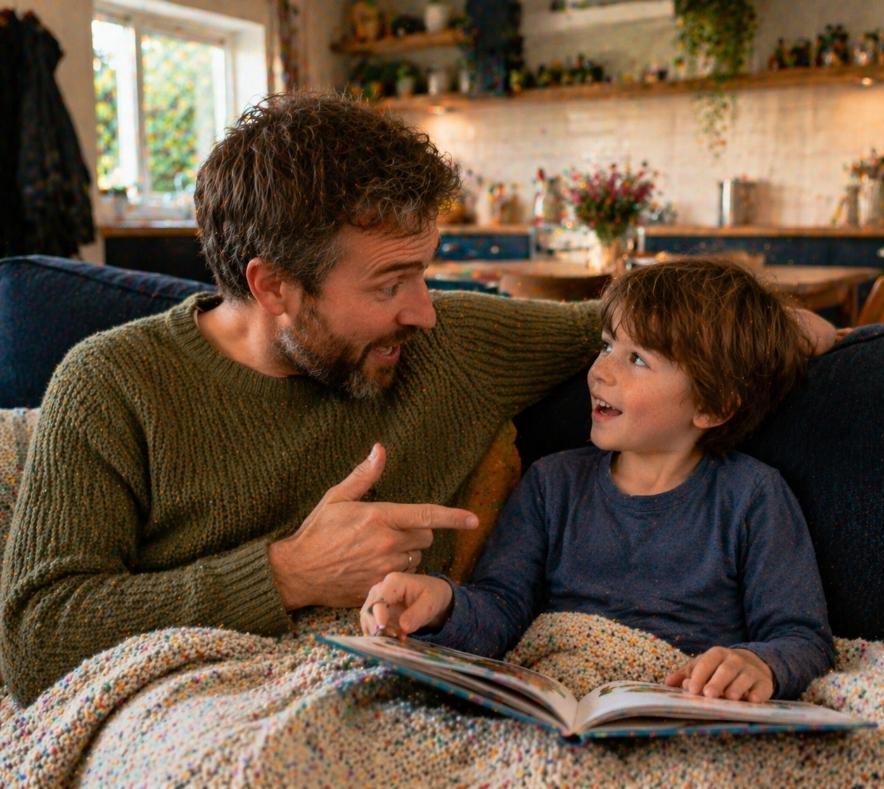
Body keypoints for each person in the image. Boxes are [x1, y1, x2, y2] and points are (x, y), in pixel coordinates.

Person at [0, 93, 836, 706]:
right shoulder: (111, 383)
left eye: (425, 272)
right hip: (188, 704)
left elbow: (644, 330)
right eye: (390, 282)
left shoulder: (455, 345)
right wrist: (287, 572)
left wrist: (789, 324)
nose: (426, 311)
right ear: (275, 286)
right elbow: (36, 638)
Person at [361, 258, 836, 702]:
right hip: (553, 692)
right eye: (608, 346)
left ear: (713, 407)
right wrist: (442, 602)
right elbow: (500, 609)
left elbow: (803, 639)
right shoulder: (552, 483)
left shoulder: (752, 496)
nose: (599, 371)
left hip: (675, 703)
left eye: (637, 360)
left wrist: (758, 663)